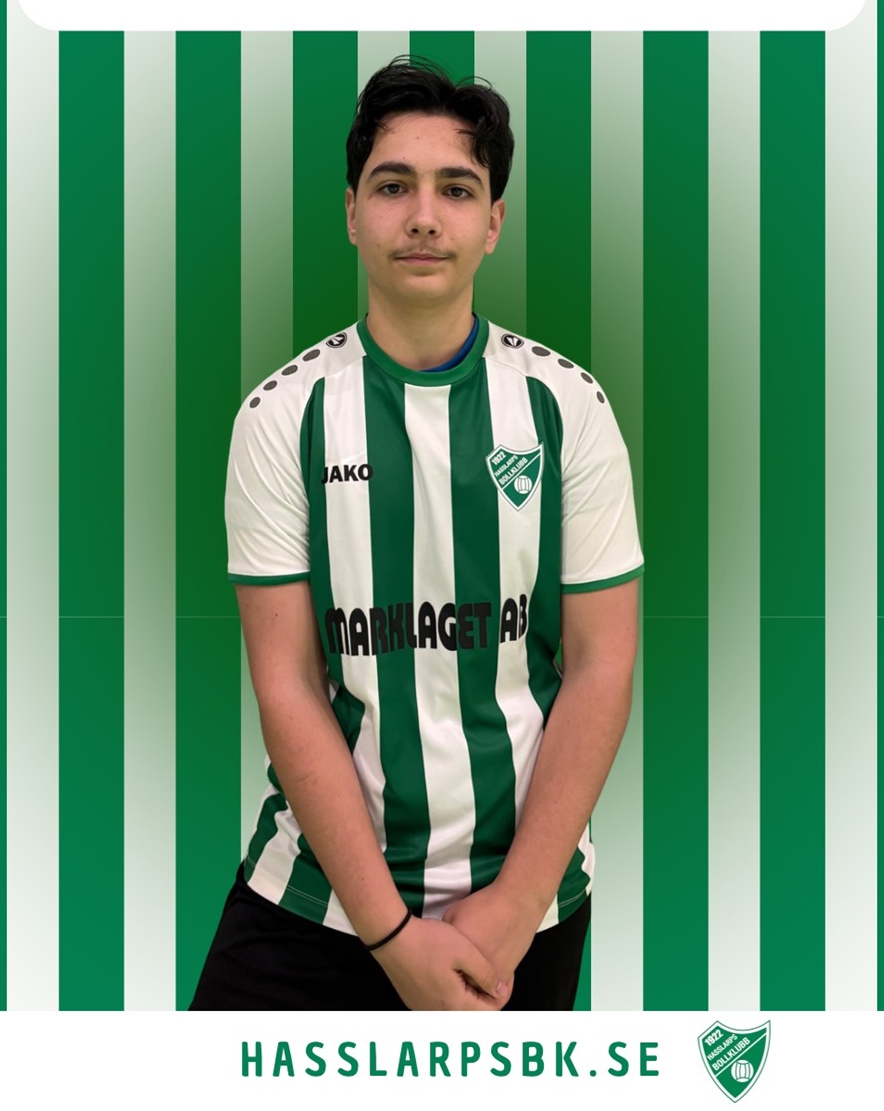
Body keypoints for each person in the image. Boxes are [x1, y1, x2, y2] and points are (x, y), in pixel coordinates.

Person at [190, 58, 643, 1012]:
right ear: (352, 213)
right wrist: (391, 935)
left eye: (457, 189)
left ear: (494, 222)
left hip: (520, 912)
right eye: (393, 186)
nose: (425, 216)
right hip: (318, 900)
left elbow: (602, 665)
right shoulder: (281, 418)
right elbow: (287, 684)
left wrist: (514, 907)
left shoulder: (569, 408)